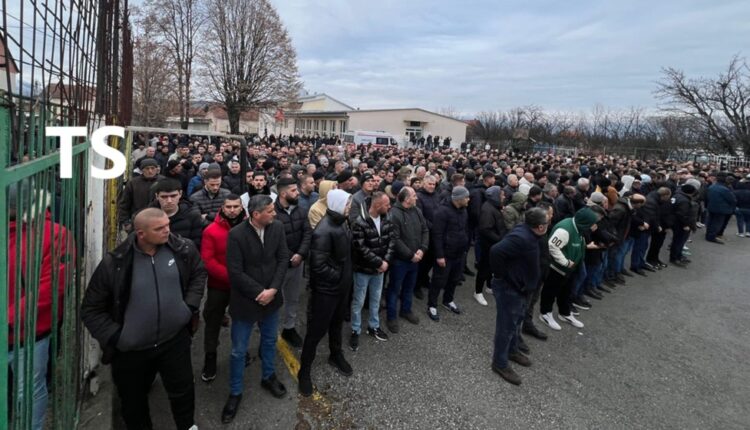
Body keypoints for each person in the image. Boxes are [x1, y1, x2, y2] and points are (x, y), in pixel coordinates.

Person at [81, 208, 206, 430]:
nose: (168, 231)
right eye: (160, 228)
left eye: (168, 225)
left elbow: (198, 273)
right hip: (131, 351)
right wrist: (118, 337)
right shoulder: (116, 263)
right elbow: (91, 309)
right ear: (141, 233)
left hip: (174, 340)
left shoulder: (182, 249)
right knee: (133, 400)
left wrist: (188, 307)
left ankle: (187, 425)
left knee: (183, 389)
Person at [8, 183, 74, 430]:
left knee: (30, 390)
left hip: (30, 333)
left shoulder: (55, 234)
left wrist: (8, 319)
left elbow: (51, 287)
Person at [222, 195, 289, 423]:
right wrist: (259, 292)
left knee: (269, 341)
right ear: (256, 214)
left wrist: (273, 289)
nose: (275, 214)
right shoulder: (236, 235)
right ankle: (235, 391)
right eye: (270, 211)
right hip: (246, 301)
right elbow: (235, 271)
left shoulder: (277, 228)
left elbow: (282, 259)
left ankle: (268, 376)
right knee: (238, 350)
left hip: (271, 298)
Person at [298, 190, 354, 397]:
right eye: (347, 204)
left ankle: (335, 354)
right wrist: (339, 277)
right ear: (338, 205)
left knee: (337, 324)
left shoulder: (342, 222)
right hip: (326, 291)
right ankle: (304, 371)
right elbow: (318, 266)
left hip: (341, 288)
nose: (350, 207)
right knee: (315, 332)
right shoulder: (324, 230)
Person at [489, 207, 549, 385]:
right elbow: (496, 252)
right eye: (546, 222)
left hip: (522, 289)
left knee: (516, 321)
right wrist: (502, 276)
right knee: (506, 327)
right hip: (510, 289)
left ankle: (512, 350)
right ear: (539, 227)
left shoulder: (531, 235)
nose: (548, 225)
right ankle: (499, 363)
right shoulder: (521, 237)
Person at [199, 194, 245, 383]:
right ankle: (210, 357)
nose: (232, 210)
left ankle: (240, 352)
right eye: (229, 207)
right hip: (219, 285)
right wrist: (232, 277)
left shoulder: (248, 228)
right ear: (223, 208)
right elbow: (208, 261)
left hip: (242, 286)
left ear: (241, 208)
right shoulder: (211, 231)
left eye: (236, 206)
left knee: (242, 322)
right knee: (212, 321)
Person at [539, 207, 600, 331]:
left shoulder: (578, 227)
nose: (593, 226)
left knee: (566, 291)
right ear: (584, 222)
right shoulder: (564, 230)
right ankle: (545, 313)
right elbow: (552, 247)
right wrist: (565, 262)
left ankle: (565, 313)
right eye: (591, 223)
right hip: (557, 268)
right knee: (550, 291)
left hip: (570, 268)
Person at [349, 192, 395, 350]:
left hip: (380, 269)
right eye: (387, 204)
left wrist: (386, 261)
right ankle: (355, 329)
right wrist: (379, 262)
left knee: (376, 299)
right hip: (363, 270)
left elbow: (391, 241)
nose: (389, 207)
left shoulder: (386, 218)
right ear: (377, 205)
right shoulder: (359, 223)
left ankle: (373, 326)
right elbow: (360, 248)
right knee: (359, 301)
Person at [274, 177, 312, 348]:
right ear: (283, 193)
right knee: (274, 300)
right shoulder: (272, 212)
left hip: (298, 263)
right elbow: (273, 241)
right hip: (279, 266)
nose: (297, 193)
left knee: (293, 298)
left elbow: (307, 233)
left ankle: (289, 328)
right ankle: (270, 332)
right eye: (293, 191)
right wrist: (290, 256)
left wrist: (300, 254)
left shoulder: (300, 210)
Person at [387, 186, 429, 333]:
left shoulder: (417, 211)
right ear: (406, 199)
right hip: (400, 260)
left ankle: (406, 310)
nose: (416, 198)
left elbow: (425, 230)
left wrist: (422, 249)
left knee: (409, 287)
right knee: (394, 289)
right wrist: (411, 255)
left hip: (416, 258)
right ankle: (391, 317)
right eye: (413, 196)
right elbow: (395, 239)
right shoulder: (394, 214)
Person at [428, 186, 471, 321]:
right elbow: (437, 235)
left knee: (454, 279)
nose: (468, 200)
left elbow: (465, 229)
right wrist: (439, 255)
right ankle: (432, 304)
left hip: (459, 252)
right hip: (446, 253)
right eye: (466, 197)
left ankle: (448, 300)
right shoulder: (442, 212)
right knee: (438, 280)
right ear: (459, 199)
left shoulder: (464, 211)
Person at [151, 178, 205, 249]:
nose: (169, 201)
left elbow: (196, 246)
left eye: (173, 196)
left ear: (180, 194)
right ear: (157, 196)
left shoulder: (193, 216)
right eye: (164, 197)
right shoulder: (147, 217)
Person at [475, 186, 506, 306]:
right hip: (488, 244)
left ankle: (489, 286)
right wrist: (499, 240)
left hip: (494, 244)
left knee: (491, 267)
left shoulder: (495, 206)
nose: (503, 197)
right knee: (484, 268)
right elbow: (486, 230)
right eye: (501, 195)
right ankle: (478, 291)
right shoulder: (488, 209)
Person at [117, 158, 162, 231]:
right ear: (142, 170)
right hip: (138, 222)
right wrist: (126, 223)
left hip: (159, 221)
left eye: (152, 168)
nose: (150, 171)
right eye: (147, 168)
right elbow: (124, 204)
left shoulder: (163, 181)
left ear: (157, 169)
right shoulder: (133, 183)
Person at [415, 174, 441, 300]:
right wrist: (433, 226)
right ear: (424, 184)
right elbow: (420, 217)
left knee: (431, 259)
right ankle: (417, 285)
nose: (432, 186)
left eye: (433, 184)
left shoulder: (437, 195)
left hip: (435, 233)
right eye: (429, 184)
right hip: (425, 234)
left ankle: (424, 279)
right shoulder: (419, 197)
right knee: (422, 261)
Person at [705, 172, 737, 243]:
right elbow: (732, 200)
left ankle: (708, 235)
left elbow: (707, 197)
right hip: (721, 209)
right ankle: (711, 237)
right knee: (717, 224)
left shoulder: (711, 187)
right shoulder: (725, 189)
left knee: (710, 222)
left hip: (711, 207)